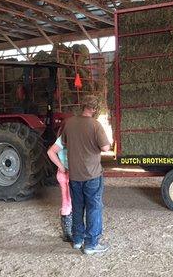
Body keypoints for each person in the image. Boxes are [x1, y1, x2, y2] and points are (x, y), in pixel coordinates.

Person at [62, 95, 111, 255]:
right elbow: (105, 147)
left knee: (77, 207)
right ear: (95, 109)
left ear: (83, 106)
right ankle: (91, 244)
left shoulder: (69, 123)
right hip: (92, 175)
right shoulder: (95, 125)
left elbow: (64, 142)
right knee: (93, 208)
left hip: (75, 175)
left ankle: (77, 240)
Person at [47, 130, 72, 242]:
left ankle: (67, 233)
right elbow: (50, 152)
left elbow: (51, 152)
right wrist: (62, 167)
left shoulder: (62, 138)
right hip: (70, 174)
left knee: (66, 202)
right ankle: (73, 231)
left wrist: (60, 167)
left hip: (64, 174)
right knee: (73, 202)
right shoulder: (67, 137)